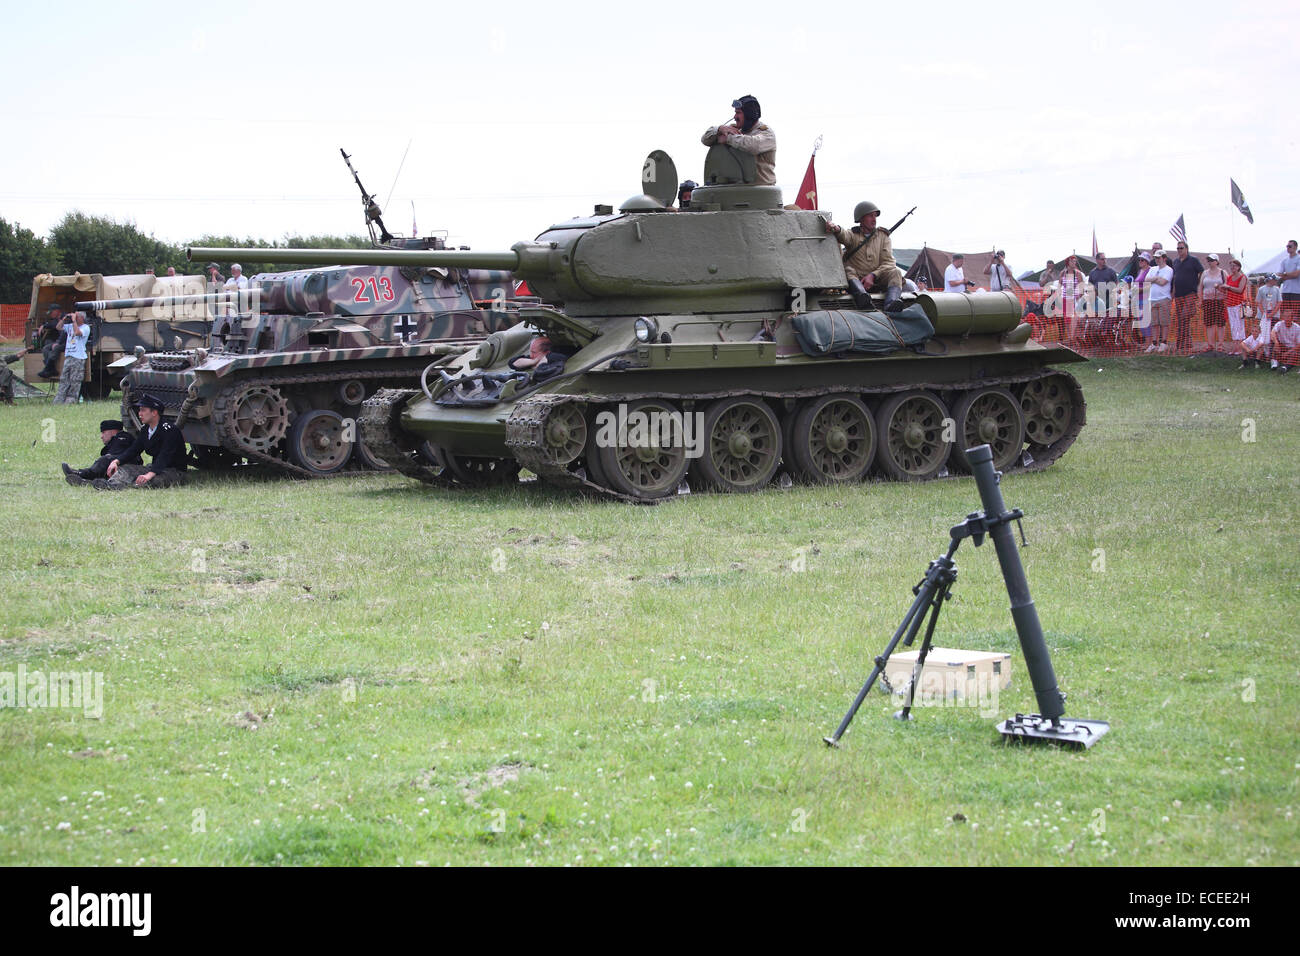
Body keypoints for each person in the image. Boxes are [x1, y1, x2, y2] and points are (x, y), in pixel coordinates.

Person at [94, 394, 187, 490]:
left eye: (143, 410)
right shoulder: (146, 429)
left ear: (154, 412)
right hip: (155, 468)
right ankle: (112, 484)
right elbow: (134, 450)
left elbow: (165, 455)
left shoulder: (170, 430)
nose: (139, 414)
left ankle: (125, 487)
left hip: (174, 471)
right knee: (125, 469)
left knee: (153, 481)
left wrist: (149, 474)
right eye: (139, 410)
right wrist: (116, 461)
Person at [823, 201, 905, 309]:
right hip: (857, 280)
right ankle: (862, 298)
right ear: (861, 218)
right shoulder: (853, 235)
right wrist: (837, 229)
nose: (874, 219)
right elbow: (844, 235)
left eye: (875, 216)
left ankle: (892, 303)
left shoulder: (883, 236)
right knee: (848, 270)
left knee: (895, 272)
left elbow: (889, 263)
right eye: (870, 216)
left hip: (878, 279)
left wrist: (873, 275)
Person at [701, 94, 776, 186]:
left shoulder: (766, 133)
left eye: (738, 113)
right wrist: (719, 129)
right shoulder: (733, 129)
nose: (735, 117)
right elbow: (705, 139)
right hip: (737, 189)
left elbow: (753, 146)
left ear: (749, 115)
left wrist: (728, 138)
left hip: (761, 191)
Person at [61, 420, 142, 486]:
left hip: (129, 468)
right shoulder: (114, 442)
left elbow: (116, 455)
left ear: (113, 431)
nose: (101, 436)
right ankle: (88, 481)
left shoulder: (123, 437)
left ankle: (81, 474)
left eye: (103, 432)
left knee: (106, 459)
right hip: (122, 468)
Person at [1169, 240, 1203, 353]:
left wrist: (1198, 284)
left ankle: (1181, 342)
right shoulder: (1175, 262)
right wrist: (1173, 292)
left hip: (1190, 293)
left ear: (1186, 249)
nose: (1179, 250)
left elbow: (1201, 272)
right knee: (1181, 318)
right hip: (1178, 294)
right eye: (1178, 248)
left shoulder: (1194, 260)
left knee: (1184, 315)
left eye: (1181, 248)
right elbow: (1174, 278)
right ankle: (1186, 342)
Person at [53, 309, 90, 404]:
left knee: (75, 380)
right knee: (64, 379)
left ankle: (71, 400)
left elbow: (77, 333)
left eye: (77, 316)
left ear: (81, 318)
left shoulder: (85, 327)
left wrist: (74, 321)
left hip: (78, 357)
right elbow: (58, 327)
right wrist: (64, 319)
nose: (75, 318)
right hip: (69, 356)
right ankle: (59, 399)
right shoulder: (70, 326)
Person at [1144, 250, 1174, 352]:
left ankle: (1164, 342)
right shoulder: (1152, 268)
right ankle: (1154, 343)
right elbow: (1146, 279)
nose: (1157, 260)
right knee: (1154, 323)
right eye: (1156, 258)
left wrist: (1154, 279)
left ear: (1164, 258)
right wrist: (1156, 278)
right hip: (1152, 298)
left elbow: (1163, 282)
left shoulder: (1169, 270)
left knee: (1164, 322)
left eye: (1159, 258)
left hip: (1164, 298)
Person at [1197, 254, 1226, 352]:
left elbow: (1228, 286)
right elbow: (1200, 287)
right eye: (1208, 260)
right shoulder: (1205, 273)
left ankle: (1221, 344)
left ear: (1217, 261)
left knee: (1220, 323)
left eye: (1212, 260)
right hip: (1207, 300)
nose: (1210, 262)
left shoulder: (1223, 272)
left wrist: (1221, 289)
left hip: (1220, 300)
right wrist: (1200, 300)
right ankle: (1211, 344)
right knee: (1209, 323)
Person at [1222, 258, 1249, 347]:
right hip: (1230, 304)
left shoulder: (1243, 277)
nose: (1232, 267)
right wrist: (1220, 287)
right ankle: (1235, 346)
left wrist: (1228, 287)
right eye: (1231, 266)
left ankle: (1241, 346)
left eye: (1234, 266)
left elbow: (1240, 290)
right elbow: (1226, 289)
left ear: (1238, 267)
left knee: (1240, 326)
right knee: (1233, 326)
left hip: (1239, 304)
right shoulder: (1229, 277)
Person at [1059, 255, 1086, 340]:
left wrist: (1079, 296)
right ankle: (1070, 337)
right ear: (1068, 263)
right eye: (1072, 261)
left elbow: (1082, 287)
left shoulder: (1078, 273)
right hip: (1065, 298)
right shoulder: (1063, 273)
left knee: (1074, 318)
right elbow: (1059, 286)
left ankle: (1074, 337)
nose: (1074, 263)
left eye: (1075, 261)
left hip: (1075, 299)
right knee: (1067, 319)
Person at [36, 304, 65, 378]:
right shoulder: (56, 319)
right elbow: (53, 324)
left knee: (56, 348)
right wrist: (43, 326)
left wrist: (57, 342)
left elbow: (65, 332)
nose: (50, 314)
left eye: (51, 312)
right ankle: (52, 369)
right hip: (61, 341)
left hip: (68, 342)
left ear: (57, 311)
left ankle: (47, 369)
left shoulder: (65, 318)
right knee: (46, 348)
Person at [1087, 252, 1119, 316]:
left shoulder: (1111, 271)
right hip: (1097, 299)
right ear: (1097, 260)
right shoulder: (1092, 272)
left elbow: (1117, 284)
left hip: (1109, 299)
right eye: (1102, 259)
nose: (1104, 261)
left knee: (1108, 319)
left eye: (1105, 259)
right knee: (1097, 318)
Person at [1270, 308, 1300, 373]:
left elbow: (1299, 345)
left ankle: (1285, 367)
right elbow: (1272, 332)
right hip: (1281, 345)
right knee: (1274, 344)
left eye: (1288, 316)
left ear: (1292, 318)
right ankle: (1274, 363)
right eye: (1285, 316)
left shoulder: (1297, 327)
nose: (1286, 318)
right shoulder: (1279, 324)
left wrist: (1288, 352)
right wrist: (1276, 342)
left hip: (1292, 348)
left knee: (1295, 354)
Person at [1279, 239, 1300, 322]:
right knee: (1286, 313)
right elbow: (1280, 275)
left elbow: (1296, 274)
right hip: (1286, 291)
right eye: (1287, 246)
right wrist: (1290, 274)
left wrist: (1286, 274)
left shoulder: (1298, 259)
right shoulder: (1284, 261)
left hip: (1297, 291)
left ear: (1295, 247)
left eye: (1290, 246)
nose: (1288, 248)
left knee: (1296, 315)